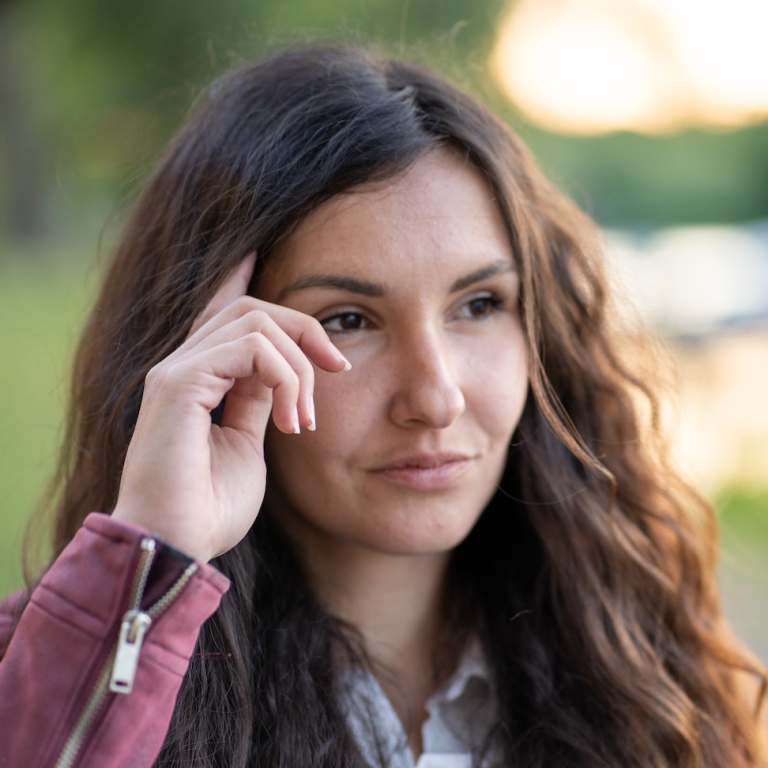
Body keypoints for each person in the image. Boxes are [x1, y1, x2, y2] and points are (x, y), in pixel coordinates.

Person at [0, 43, 765, 768]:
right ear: (210, 356)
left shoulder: (659, 680)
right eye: (348, 321)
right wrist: (150, 564)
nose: (435, 396)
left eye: (479, 304)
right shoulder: (47, 668)